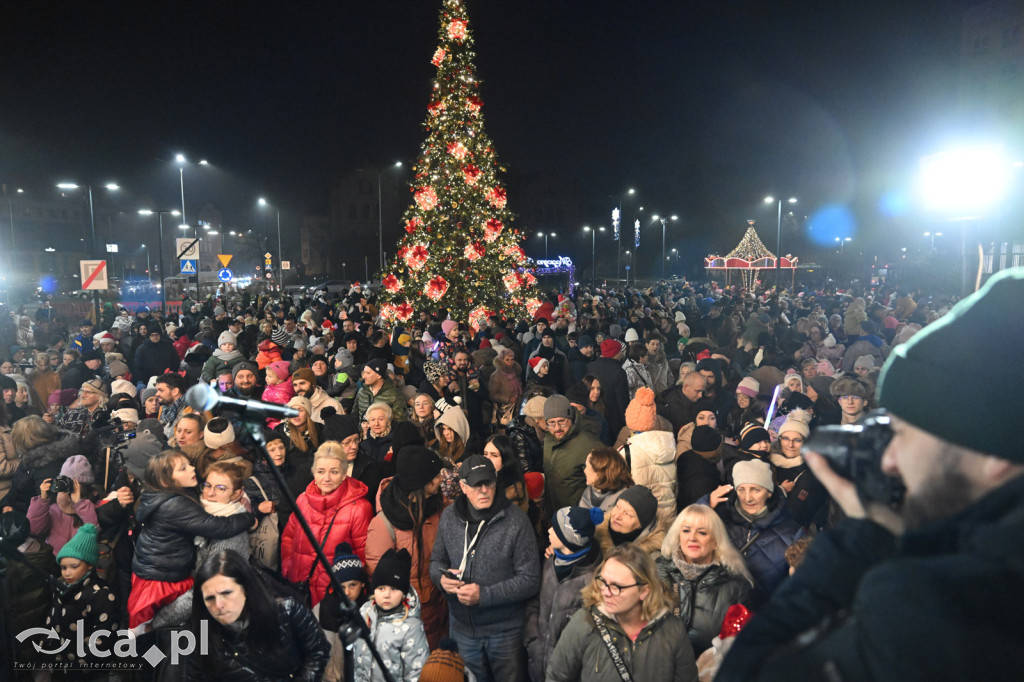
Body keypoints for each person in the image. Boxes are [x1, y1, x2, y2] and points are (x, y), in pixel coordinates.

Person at [718, 268, 1024, 680]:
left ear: (996, 453)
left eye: (905, 434)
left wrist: (861, 537)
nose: (891, 460)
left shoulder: (941, 606)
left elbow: (748, 673)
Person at [429, 455, 540, 682]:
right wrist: (441, 579)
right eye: (476, 485)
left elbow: (530, 579)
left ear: (496, 482)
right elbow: (436, 561)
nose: (484, 490)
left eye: (488, 483)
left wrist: (485, 595)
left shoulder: (516, 521)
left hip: (504, 632)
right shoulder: (449, 517)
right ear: (462, 487)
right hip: (462, 629)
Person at [129, 450, 254, 631]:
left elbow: (205, 592)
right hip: (160, 580)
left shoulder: (230, 536)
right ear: (166, 482)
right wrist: (250, 518)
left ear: (237, 494)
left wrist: (157, 624)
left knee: (146, 632)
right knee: (142, 631)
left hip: (198, 613)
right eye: (208, 485)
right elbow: (215, 525)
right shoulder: (178, 504)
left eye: (220, 488)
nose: (210, 493)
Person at [546, 543, 698, 682]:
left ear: (644, 591)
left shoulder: (672, 630)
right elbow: (556, 677)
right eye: (603, 582)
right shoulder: (583, 623)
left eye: (616, 587)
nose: (605, 592)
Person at [187, 549, 330, 681]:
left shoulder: (286, 609)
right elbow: (195, 676)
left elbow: (318, 651)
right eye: (209, 598)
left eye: (227, 593)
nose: (218, 605)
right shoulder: (203, 631)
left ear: (245, 589)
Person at [365, 444, 449, 648]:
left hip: (441, 608)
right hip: (406, 616)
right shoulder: (384, 524)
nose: (442, 478)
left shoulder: (441, 508)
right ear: (421, 481)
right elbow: (380, 576)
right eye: (436, 475)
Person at [281, 441, 373, 608]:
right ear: (313, 472)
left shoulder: (359, 508)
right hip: (301, 590)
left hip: (335, 598)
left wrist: (351, 589)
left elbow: (364, 557)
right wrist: (288, 567)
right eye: (321, 471)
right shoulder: (303, 500)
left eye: (334, 472)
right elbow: (288, 537)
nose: (327, 478)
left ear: (344, 474)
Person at [703, 459, 804, 609]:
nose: (747, 498)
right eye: (741, 490)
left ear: (769, 492)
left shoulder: (792, 533)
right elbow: (685, 541)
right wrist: (705, 504)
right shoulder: (720, 521)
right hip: (721, 615)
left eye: (755, 490)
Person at [656, 504, 752, 656]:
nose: (692, 538)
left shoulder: (737, 586)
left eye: (702, 532)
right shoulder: (655, 571)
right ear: (678, 536)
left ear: (715, 541)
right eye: (686, 530)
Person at [525, 505, 604, 682]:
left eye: (556, 528)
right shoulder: (549, 561)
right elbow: (535, 602)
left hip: (567, 672)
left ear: (569, 538)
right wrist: (533, 641)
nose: (549, 530)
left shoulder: (592, 580)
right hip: (537, 663)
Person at [41, 524, 120, 671]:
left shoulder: (101, 594)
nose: (67, 573)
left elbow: (104, 634)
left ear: (89, 565)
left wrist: (84, 661)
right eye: (64, 567)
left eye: (74, 566)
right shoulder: (60, 589)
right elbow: (52, 620)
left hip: (87, 668)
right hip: (61, 662)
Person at [352, 547, 430, 682]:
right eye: (381, 588)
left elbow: (416, 672)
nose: (387, 595)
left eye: (394, 589)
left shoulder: (411, 627)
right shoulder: (365, 612)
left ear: (403, 593)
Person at [619, 386, 677, 519]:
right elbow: (675, 487)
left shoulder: (627, 451)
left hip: (641, 518)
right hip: (668, 515)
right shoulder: (669, 444)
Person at [543, 394, 602, 513]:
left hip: (578, 515)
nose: (557, 428)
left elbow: (603, 485)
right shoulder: (548, 439)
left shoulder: (588, 444)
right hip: (556, 514)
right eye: (551, 423)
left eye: (562, 421)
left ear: (571, 418)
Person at [595, 484, 665, 557]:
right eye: (617, 506)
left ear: (641, 524)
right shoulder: (595, 533)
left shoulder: (651, 557)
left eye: (627, 514)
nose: (617, 516)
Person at [586, 339, 630, 437]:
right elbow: (622, 401)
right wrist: (626, 421)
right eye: (620, 351)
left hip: (594, 415)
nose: (621, 354)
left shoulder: (590, 367)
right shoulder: (619, 371)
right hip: (614, 419)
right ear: (615, 353)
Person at [578, 446, 634, 513]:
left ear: (599, 473)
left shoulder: (625, 502)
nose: (584, 470)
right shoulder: (589, 492)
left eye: (587, 466)